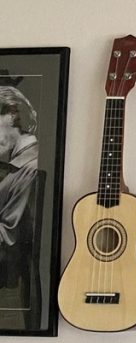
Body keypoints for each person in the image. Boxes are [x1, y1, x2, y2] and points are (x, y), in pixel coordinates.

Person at [0, 85, 41, 326]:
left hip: (13, 293)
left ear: (12, 116)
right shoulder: (18, 166)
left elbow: (9, 235)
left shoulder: (29, 168)